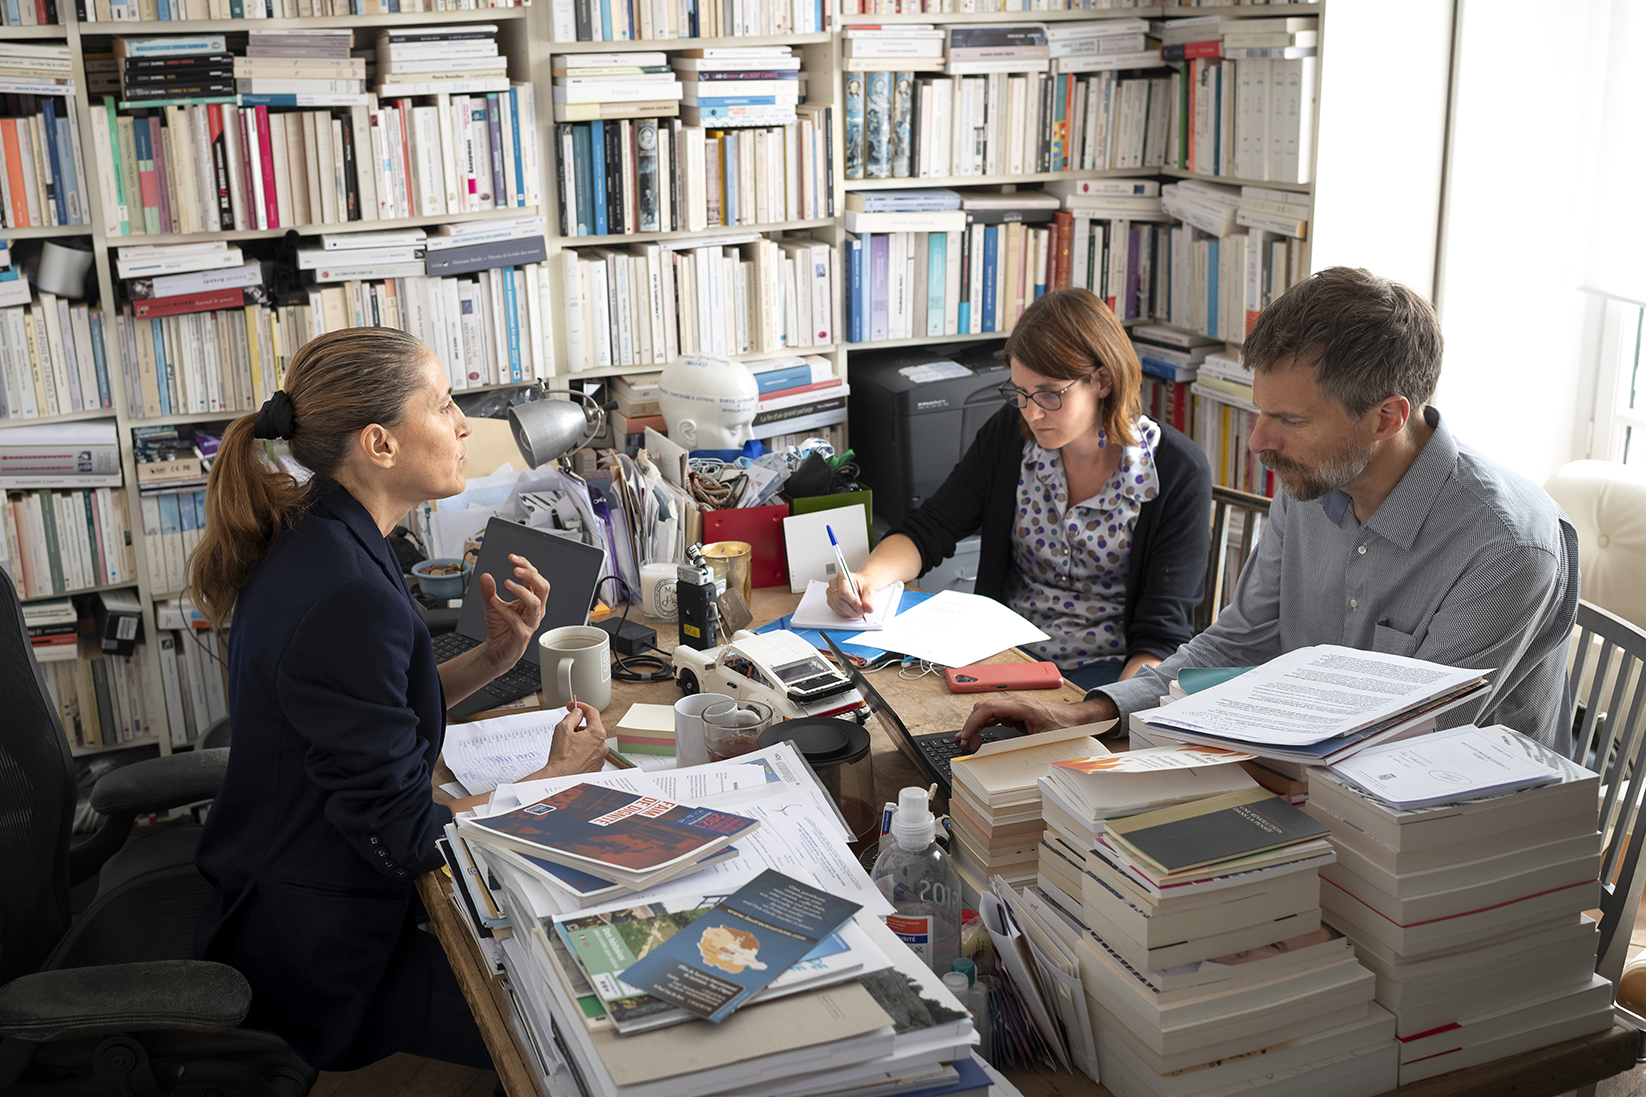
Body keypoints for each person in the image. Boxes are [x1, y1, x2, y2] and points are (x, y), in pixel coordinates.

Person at [188, 328, 610, 1072]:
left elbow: (375, 706)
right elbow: (409, 837)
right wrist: (555, 781)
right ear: (379, 444)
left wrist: (493, 656)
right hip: (328, 958)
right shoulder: (346, 590)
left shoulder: (327, 534)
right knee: (580, 1029)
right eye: (444, 404)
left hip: (296, 891)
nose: (461, 427)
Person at [959, 267, 1580, 751]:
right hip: (1324, 781)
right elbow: (1238, 641)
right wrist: (1086, 714)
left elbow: (1406, 742)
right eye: (1261, 412)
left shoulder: (1505, 546)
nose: (1257, 443)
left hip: (1448, 837)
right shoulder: (1314, 480)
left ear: (1387, 417)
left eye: (1288, 420)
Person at [828, 287, 1213, 691]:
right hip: (1004, 655)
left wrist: (1107, 711)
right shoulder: (1012, 436)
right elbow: (932, 528)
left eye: (1049, 393)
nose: (1031, 412)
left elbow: (1161, 640)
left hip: (1107, 676)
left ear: (1101, 380)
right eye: (1020, 393)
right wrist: (868, 578)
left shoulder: (1175, 472)